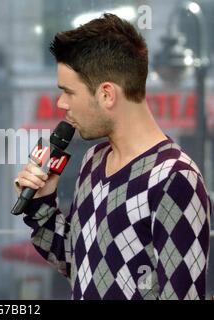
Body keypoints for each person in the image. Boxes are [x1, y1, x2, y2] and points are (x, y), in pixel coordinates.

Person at [14, 14, 211, 300]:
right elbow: (78, 263)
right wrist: (42, 203)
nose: (61, 103)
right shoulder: (93, 161)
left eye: (68, 92)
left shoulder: (175, 178)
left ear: (107, 94)